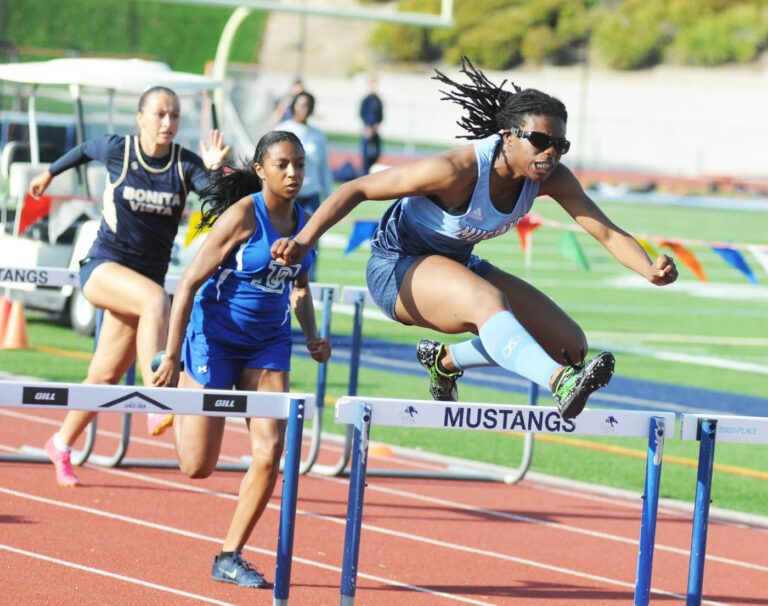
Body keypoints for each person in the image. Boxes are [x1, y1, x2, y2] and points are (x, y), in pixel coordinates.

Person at [271, 58, 678, 419]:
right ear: (508, 136)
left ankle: (445, 363)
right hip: (396, 268)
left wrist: (648, 268)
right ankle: (559, 382)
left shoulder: (551, 177)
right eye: (540, 141)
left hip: (458, 265)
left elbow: (604, 230)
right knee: (490, 303)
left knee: (569, 346)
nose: (550, 153)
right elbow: (356, 188)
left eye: (560, 145)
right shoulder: (456, 170)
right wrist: (303, 241)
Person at [151, 130, 331, 588]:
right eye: (282, 165)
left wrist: (312, 335)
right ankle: (181, 395)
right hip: (214, 339)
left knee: (270, 451)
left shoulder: (306, 223)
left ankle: (229, 555)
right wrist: (171, 355)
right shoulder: (243, 216)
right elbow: (188, 284)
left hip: (268, 344)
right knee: (197, 467)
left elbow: (300, 286)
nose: (293, 173)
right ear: (260, 170)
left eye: (299, 165)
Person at [31, 86, 230, 487]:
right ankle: (156, 398)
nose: (168, 122)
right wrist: (49, 173)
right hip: (103, 268)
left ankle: (61, 443)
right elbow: (83, 150)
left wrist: (213, 172)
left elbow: (221, 206)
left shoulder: (183, 164)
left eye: (174, 115)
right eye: (160, 114)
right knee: (157, 300)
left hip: (142, 286)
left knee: (104, 376)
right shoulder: (119, 150)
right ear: (140, 118)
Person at [276, 90, 333, 280]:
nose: (305, 109)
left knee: (312, 237)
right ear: (293, 107)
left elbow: (324, 167)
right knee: (283, 236)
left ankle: (309, 278)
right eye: (302, 105)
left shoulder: (318, 135)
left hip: (311, 194)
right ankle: (279, 275)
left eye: (309, 105)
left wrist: (329, 195)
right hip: (287, 194)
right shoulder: (282, 130)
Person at [359, 74, 384, 174]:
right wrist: (367, 127)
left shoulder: (378, 100)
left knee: (377, 152)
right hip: (367, 129)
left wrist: (377, 125)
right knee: (365, 155)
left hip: (375, 130)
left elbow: (381, 115)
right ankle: (365, 173)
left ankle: (371, 170)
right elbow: (362, 114)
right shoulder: (366, 100)